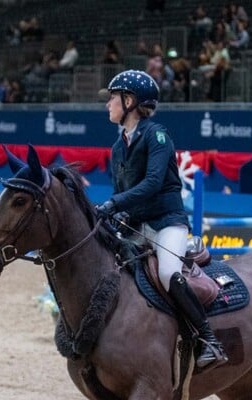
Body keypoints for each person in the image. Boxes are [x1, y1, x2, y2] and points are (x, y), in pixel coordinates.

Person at [95, 70, 227, 369]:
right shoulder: (118, 149)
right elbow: (121, 191)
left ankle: (209, 340)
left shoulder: (157, 135)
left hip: (167, 222)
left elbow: (154, 182)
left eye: (113, 98)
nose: (108, 105)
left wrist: (115, 203)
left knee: (168, 272)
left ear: (129, 101)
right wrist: (112, 213)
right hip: (136, 226)